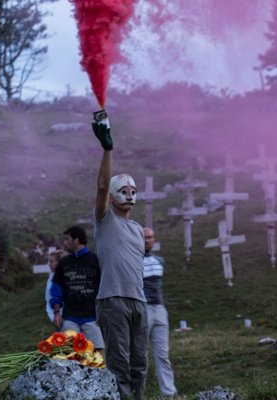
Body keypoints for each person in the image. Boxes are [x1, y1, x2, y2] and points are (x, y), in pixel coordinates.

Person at [92, 111, 148, 400]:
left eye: (134, 191)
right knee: (119, 364)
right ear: (114, 197)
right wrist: (107, 148)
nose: (130, 195)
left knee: (140, 364)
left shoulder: (138, 229)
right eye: (123, 191)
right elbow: (102, 186)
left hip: (138, 300)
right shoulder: (105, 220)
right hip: (113, 300)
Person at [49, 226, 105, 352]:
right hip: (70, 318)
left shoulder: (96, 260)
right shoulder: (64, 263)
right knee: (70, 355)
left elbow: (105, 286)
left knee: (99, 355)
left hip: (93, 318)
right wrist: (57, 312)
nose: (64, 242)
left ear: (76, 240)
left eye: (67, 239)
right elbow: (57, 289)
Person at [142, 227, 177, 398]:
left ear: (154, 239)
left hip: (160, 309)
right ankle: (137, 392)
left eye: (150, 237)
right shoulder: (133, 261)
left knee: (163, 355)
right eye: (144, 238)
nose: (147, 240)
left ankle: (169, 393)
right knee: (140, 355)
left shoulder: (160, 260)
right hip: (143, 310)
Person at [45, 249, 67, 325]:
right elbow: (49, 298)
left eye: (51, 261)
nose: (49, 264)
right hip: (54, 316)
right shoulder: (51, 277)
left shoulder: (65, 278)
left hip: (65, 317)